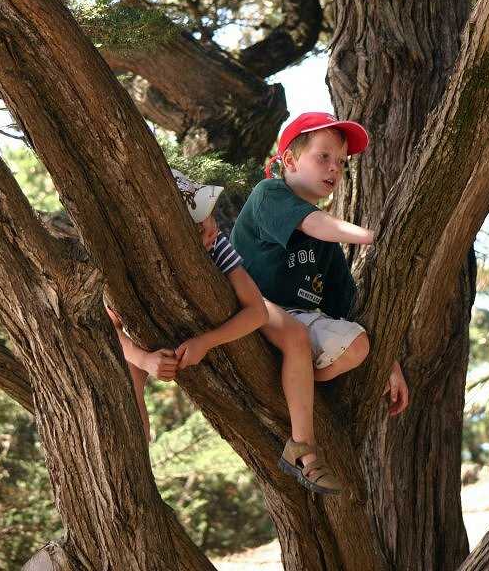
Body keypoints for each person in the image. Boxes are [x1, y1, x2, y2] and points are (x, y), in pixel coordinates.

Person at [231, 111, 409, 495]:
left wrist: (387, 361)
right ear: (290, 161)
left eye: (342, 163)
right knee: (302, 334)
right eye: (323, 157)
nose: (335, 168)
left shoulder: (326, 241)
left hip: (300, 321)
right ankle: (303, 449)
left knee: (358, 344)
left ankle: (298, 377)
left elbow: (345, 306)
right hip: (253, 308)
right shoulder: (270, 195)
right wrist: (374, 236)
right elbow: (314, 224)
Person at [104, 168, 268, 441]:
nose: (209, 228)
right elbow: (109, 326)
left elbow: (257, 312)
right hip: (143, 343)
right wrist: (144, 359)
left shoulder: (216, 246)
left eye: (206, 213)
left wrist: (206, 341)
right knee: (129, 394)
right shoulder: (134, 261)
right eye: (196, 225)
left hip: (207, 354)